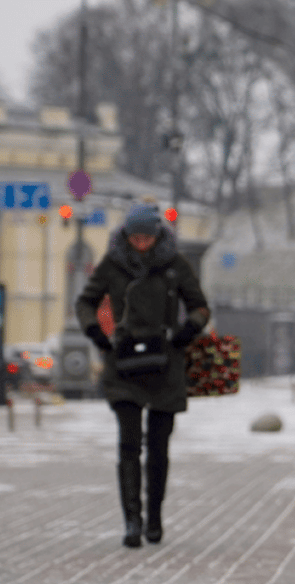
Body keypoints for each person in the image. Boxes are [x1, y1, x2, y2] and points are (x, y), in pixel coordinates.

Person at [76, 205, 210, 548]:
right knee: (129, 444)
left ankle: (155, 517)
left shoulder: (175, 265)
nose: (140, 243)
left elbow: (199, 305)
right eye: (135, 237)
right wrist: (97, 335)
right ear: (126, 235)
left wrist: (187, 331)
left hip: (166, 362)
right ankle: (132, 520)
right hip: (124, 365)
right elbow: (86, 302)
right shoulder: (113, 264)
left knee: (159, 448)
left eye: (146, 237)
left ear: (157, 235)